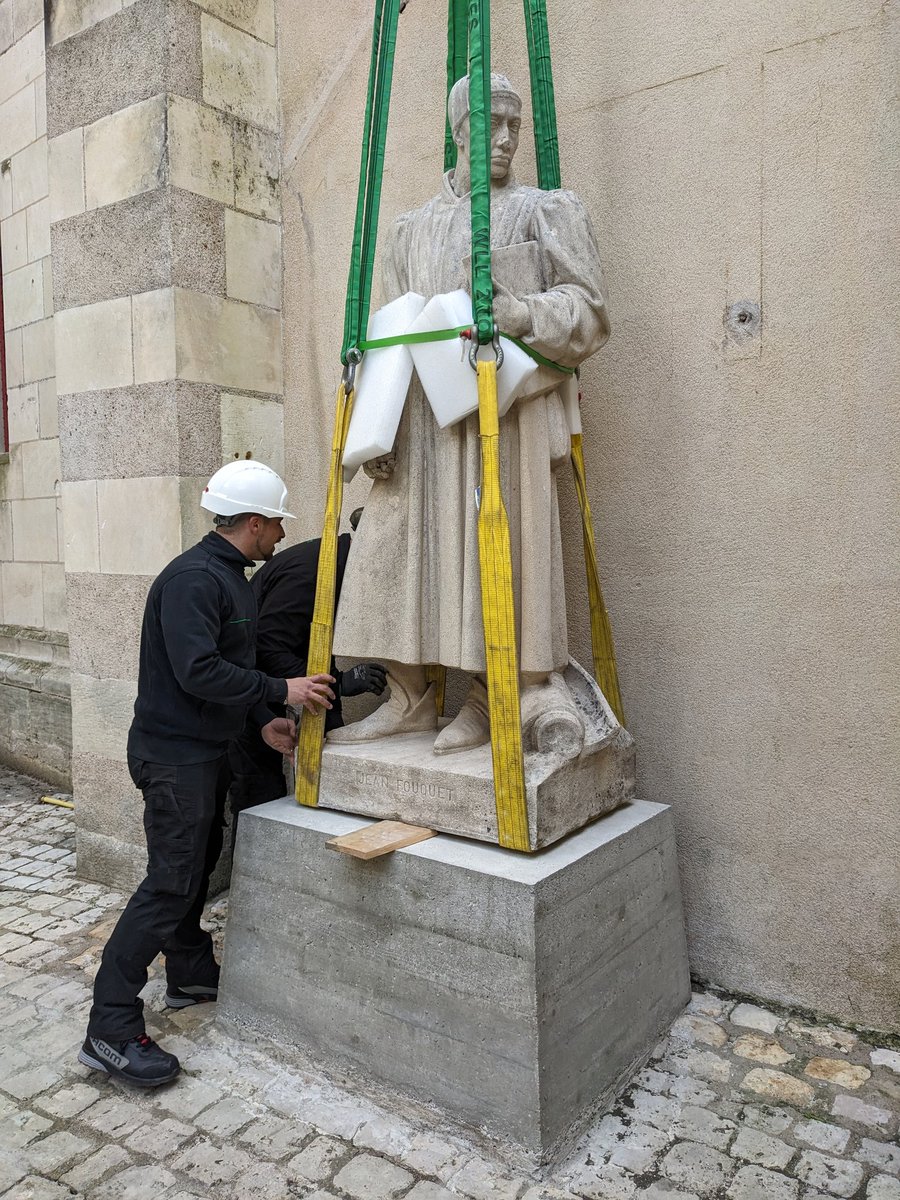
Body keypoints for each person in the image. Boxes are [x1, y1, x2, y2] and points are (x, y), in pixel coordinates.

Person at [331, 72, 610, 757]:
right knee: (393, 552)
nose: (508, 138)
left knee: (500, 555)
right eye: (493, 123)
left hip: (502, 416)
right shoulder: (408, 229)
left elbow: (590, 312)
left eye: (516, 125)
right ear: (460, 128)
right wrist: (378, 423)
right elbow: (391, 331)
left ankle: (499, 696)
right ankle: (407, 696)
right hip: (422, 422)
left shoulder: (545, 210)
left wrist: (521, 312)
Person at [78, 460, 335, 1088]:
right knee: (168, 884)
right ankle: (110, 1028)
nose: (279, 534)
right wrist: (284, 689)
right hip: (174, 760)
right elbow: (198, 672)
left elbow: (227, 665)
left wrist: (260, 719)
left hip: (205, 752)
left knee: (197, 864)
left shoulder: (229, 578)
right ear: (252, 522)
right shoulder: (194, 580)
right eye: (275, 523)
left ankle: (189, 970)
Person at [227, 507, 386, 844]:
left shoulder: (337, 565)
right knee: (261, 796)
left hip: (267, 691)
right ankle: (259, 878)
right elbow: (270, 647)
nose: (283, 535)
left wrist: (333, 708)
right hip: (250, 700)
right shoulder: (314, 571)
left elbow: (312, 643)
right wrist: (337, 684)